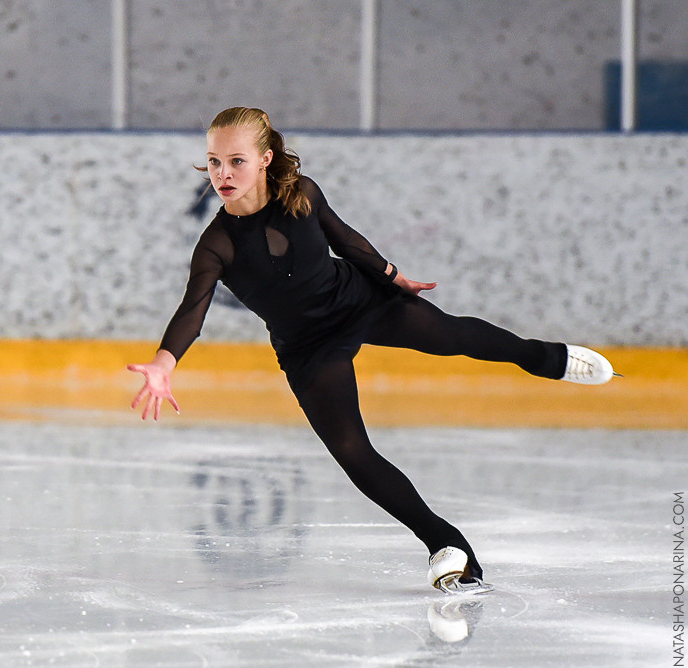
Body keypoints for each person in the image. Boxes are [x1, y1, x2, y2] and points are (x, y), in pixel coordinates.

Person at [127, 106, 617, 593]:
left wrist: (388, 275)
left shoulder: (301, 193)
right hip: (307, 346)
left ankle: (547, 359)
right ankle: (446, 546)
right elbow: (193, 309)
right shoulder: (216, 245)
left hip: (358, 299)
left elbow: (344, 239)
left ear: (265, 159)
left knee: (453, 336)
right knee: (351, 450)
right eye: (213, 162)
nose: (223, 174)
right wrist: (164, 362)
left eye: (236, 161)